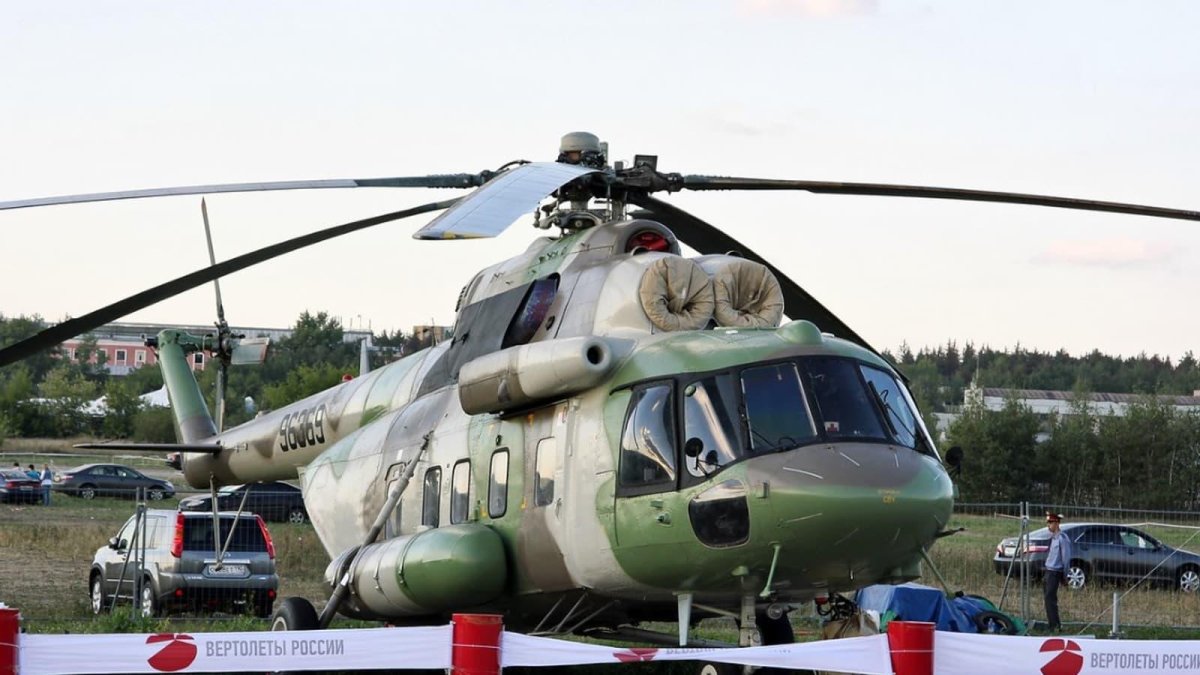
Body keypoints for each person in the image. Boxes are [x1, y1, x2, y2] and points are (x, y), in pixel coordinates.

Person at [1043, 512, 1072, 632]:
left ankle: (1055, 626)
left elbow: (1066, 558)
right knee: (1047, 599)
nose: (1048, 525)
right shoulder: (1053, 538)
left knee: (1050, 599)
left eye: (1050, 522)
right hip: (1048, 571)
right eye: (1048, 522)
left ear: (1056, 523)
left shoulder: (1062, 539)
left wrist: (1065, 576)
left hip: (1055, 572)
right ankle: (1052, 623)